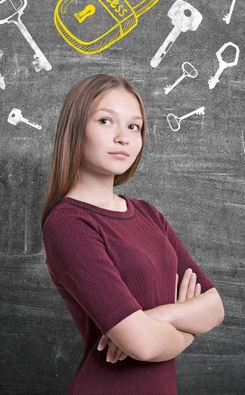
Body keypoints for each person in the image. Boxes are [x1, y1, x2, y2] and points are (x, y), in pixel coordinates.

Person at [42, 74, 224, 395]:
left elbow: (214, 307)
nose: (122, 137)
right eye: (105, 121)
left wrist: (158, 316)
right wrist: (189, 330)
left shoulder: (147, 214)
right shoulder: (68, 224)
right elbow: (143, 345)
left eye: (133, 126)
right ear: (75, 130)